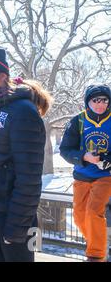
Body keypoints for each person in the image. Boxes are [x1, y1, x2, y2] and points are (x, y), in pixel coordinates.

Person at [0, 47, 52, 262]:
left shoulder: (23, 111)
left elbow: (30, 179)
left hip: (14, 221)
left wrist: (16, 227)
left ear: (2, 75)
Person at [59, 84, 111, 262]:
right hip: (81, 175)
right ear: (88, 101)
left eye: (104, 100)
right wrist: (84, 156)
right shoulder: (78, 121)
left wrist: (107, 158)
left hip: (105, 176)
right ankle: (98, 241)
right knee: (80, 216)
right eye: (95, 100)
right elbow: (65, 150)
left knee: (93, 211)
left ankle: (96, 255)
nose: (100, 104)